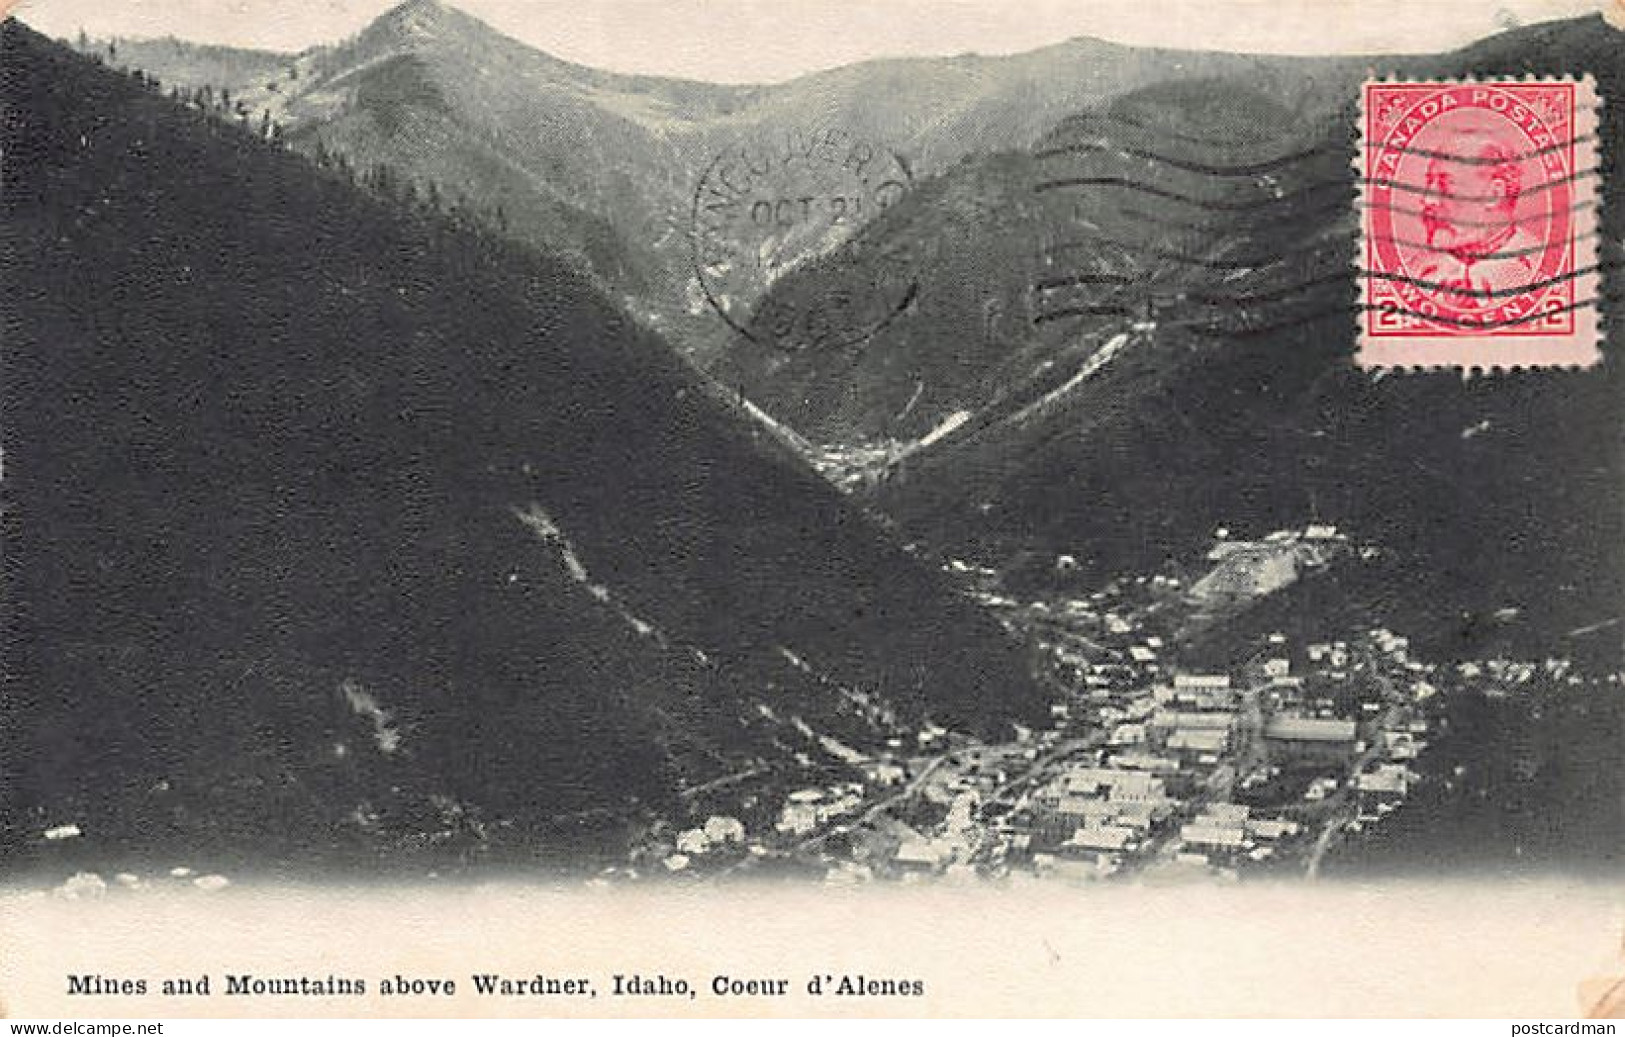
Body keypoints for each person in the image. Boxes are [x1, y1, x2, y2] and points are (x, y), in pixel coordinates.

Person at [1409, 136, 1544, 311]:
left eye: (1445, 184)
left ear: (1494, 194)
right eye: (1429, 182)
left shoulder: (1538, 270)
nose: (1427, 200)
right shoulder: (1414, 271)